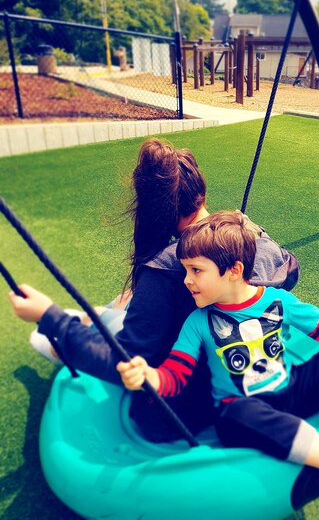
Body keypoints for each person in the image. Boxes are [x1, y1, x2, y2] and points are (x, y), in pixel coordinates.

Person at [9, 138, 299, 442]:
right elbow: (290, 270)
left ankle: (65, 334)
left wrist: (48, 315)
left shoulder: (165, 270)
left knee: (113, 315)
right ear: (202, 193)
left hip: (184, 407)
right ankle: (92, 316)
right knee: (121, 304)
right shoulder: (257, 243)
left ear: (154, 209)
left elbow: (125, 358)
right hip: (242, 376)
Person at [117, 211, 319, 507]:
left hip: (288, 389)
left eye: (196, 271)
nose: (187, 280)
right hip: (245, 409)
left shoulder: (277, 302)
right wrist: (149, 377)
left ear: (233, 270)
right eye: (186, 270)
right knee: (233, 417)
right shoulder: (198, 322)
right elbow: (175, 374)